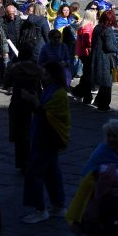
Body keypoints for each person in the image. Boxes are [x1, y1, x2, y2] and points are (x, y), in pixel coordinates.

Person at [20, 61, 70, 224]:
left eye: (47, 74)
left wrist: (33, 100)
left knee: (34, 173)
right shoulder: (50, 89)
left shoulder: (59, 94)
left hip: (48, 137)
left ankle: (40, 209)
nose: (44, 76)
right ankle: (58, 205)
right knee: (52, 172)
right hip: (45, 136)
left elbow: (46, 113)